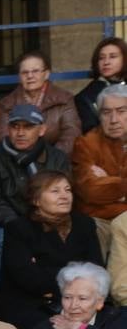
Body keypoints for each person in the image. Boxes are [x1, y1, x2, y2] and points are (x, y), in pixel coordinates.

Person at [0, 171, 103, 329]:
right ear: (36, 200)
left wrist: (46, 269)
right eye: (55, 191)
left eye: (67, 190)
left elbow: (96, 270)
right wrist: (77, 273)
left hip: (79, 300)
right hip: (32, 304)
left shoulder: (84, 224)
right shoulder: (19, 228)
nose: (64, 196)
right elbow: (28, 278)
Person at [0, 103, 72, 230]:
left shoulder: (57, 158)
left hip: (49, 220)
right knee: (0, 240)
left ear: (42, 130)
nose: (20, 133)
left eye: (28, 127)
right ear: (8, 129)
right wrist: (18, 225)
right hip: (8, 223)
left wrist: (44, 222)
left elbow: (62, 197)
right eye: (15, 126)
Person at [0, 50, 81, 155]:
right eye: (25, 72)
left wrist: (51, 159)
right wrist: (25, 160)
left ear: (46, 74)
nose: (30, 76)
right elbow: (4, 139)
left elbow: (71, 135)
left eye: (35, 71)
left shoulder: (64, 99)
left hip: (56, 162)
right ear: (19, 76)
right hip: (18, 163)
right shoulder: (7, 104)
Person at [70, 82, 127, 238]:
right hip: (101, 219)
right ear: (99, 115)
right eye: (106, 112)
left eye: (121, 111)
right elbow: (89, 191)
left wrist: (108, 181)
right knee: (93, 228)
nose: (114, 119)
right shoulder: (86, 143)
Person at [74, 36, 127, 133]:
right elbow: (91, 132)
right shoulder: (86, 97)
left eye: (113, 56)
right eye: (101, 58)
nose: (106, 62)